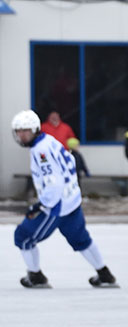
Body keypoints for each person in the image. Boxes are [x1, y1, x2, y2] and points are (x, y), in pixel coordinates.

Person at [11, 110, 117, 289]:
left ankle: (36, 277)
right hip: (71, 200)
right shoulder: (49, 140)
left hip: (55, 205)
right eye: (19, 131)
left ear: (35, 129)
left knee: (23, 236)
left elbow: (53, 181)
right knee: (80, 239)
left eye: (26, 131)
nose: (22, 135)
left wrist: (42, 205)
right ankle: (104, 274)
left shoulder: (40, 150)